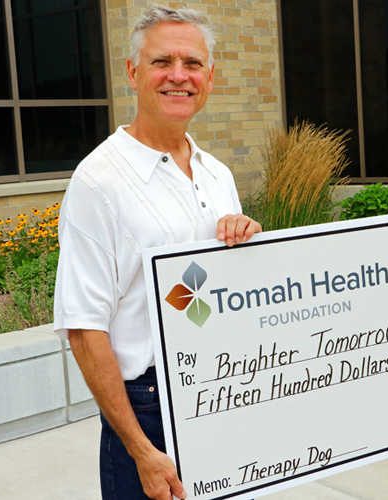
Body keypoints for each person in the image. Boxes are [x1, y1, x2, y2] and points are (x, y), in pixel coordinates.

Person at [53, 5, 262, 500]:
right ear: (131, 72)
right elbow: (84, 328)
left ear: (209, 76)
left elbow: (219, 286)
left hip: (220, 386)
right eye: (161, 62)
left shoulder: (217, 174)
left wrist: (247, 239)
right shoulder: (98, 181)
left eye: (192, 64)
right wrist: (141, 449)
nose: (178, 76)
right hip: (147, 408)